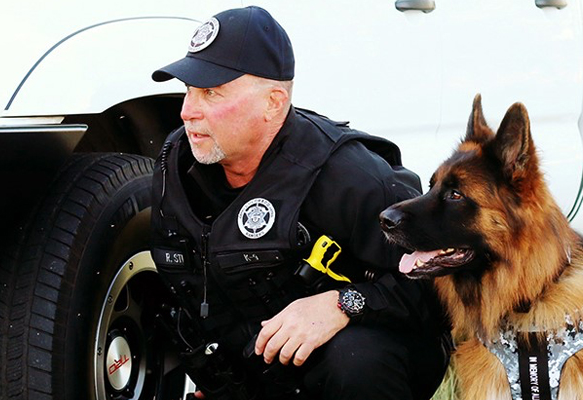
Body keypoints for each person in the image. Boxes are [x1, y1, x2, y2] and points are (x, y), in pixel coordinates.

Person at [149, 6, 450, 400]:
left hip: (347, 368)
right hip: (247, 370)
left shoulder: (351, 178)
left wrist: (344, 304)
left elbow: (442, 290)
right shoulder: (176, 163)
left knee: (356, 359)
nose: (188, 111)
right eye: (188, 91)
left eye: (211, 93)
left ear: (273, 102)